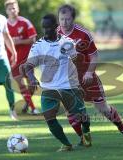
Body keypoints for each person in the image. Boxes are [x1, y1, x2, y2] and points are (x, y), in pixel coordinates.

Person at [57, 4, 123, 145]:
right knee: (71, 111)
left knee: (103, 109)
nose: (64, 22)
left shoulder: (83, 34)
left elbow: (94, 55)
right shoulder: (55, 35)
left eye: (67, 19)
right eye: (61, 19)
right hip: (68, 79)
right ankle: (84, 139)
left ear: (73, 19)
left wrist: (89, 73)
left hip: (87, 77)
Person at [23, 13, 91, 152]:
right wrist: (31, 78)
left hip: (68, 86)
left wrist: (79, 84)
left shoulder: (67, 42)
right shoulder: (38, 45)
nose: (46, 30)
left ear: (56, 27)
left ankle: (86, 133)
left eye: (48, 27)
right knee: (49, 118)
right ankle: (66, 144)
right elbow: (28, 66)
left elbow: (76, 63)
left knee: (82, 116)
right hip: (49, 88)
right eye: (44, 28)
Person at [4, 0, 39, 114]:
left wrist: (18, 41)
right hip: (13, 60)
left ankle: (27, 104)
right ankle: (33, 108)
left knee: (31, 84)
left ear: (18, 9)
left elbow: (33, 39)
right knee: (21, 85)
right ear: (6, 11)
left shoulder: (25, 22)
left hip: (26, 59)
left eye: (14, 8)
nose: (12, 10)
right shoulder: (4, 24)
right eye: (10, 9)